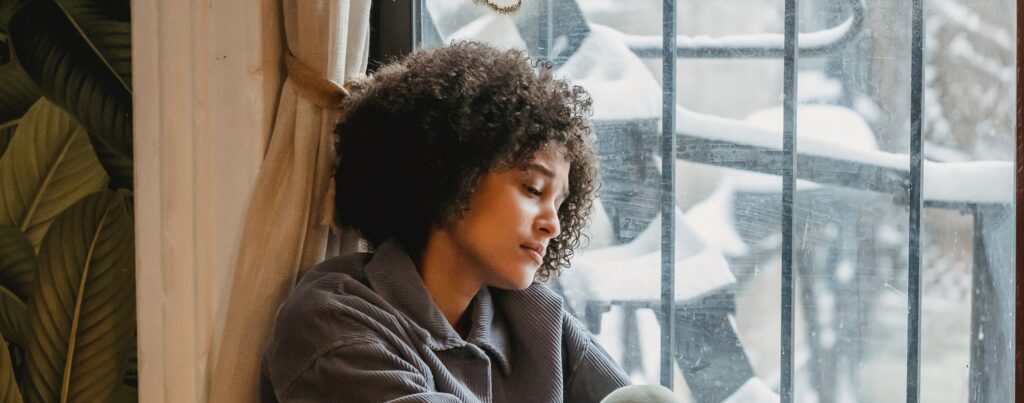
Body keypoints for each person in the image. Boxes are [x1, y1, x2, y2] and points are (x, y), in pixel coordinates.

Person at [259, 42, 676, 402]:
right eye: (532, 189)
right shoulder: (333, 322)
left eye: (560, 203)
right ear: (449, 171)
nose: (554, 225)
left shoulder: (533, 314)